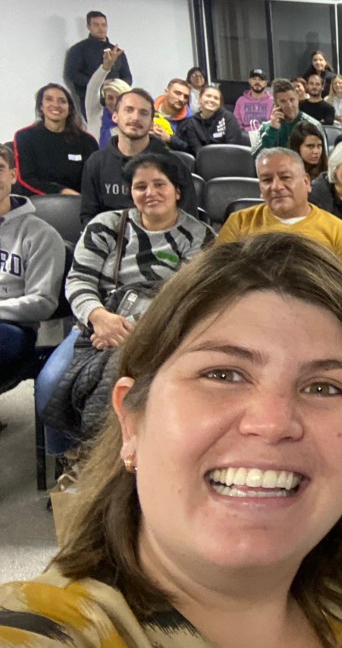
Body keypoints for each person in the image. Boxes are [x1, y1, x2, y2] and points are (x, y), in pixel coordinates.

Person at [3, 232, 342, 645]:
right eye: (222, 374)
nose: (273, 423)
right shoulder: (44, 631)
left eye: (324, 387)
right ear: (132, 421)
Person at [39, 153, 214, 455]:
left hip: (163, 329)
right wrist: (99, 317)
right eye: (140, 186)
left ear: (178, 191)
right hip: (97, 324)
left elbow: (192, 297)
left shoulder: (199, 235)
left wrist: (138, 331)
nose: (150, 193)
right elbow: (79, 280)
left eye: (160, 184)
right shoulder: (105, 225)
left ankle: (130, 460)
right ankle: (68, 464)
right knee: (50, 385)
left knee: (148, 392)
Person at [218, 148, 342, 268]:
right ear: (260, 189)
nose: (276, 187)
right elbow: (218, 275)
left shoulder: (340, 232)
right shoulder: (239, 222)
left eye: (285, 177)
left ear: (306, 182)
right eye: (267, 180)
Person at [79, 89, 198, 224]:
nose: (135, 118)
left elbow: (189, 219)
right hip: (110, 241)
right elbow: (88, 216)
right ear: (115, 116)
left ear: (152, 123)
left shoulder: (173, 164)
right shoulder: (96, 162)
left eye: (143, 113)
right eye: (129, 110)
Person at [0, 145, 65, 383]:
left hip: (13, 328)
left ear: (12, 176)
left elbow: (43, 302)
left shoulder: (40, 234)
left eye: (0, 169)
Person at [13, 83, 99, 196]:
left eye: (62, 101)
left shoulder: (87, 141)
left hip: (80, 204)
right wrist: (62, 192)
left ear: (69, 109)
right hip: (37, 204)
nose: (56, 105)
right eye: (49, 99)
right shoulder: (24, 137)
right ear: (41, 107)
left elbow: (94, 179)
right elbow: (26, 178)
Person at [63, 11, 133, 109]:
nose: (101, 28)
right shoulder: (78, 49)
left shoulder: (116, 51)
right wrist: (99, 83)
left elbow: (127, 77)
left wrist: (116, 86)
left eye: (103, 25)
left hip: (117, 101)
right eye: (96, 25)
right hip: (92, 102)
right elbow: (72, 74)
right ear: (88, 26)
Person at [251, 79, 322, 157]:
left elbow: (323, 161)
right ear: (275, 104)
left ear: (297, 99)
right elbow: (255, 158)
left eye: (292, 100)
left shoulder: (313, 126)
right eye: (283, 101)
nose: (289, 105)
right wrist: (272, 130)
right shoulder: (267, 128)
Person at [173, 85, 250, 155]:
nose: (212, 100)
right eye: (208, 96)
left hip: (228, 161)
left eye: (216, 98)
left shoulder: (228, 117)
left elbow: (233, 147)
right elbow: (196, 150)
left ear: (220, 103)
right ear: (200, 99)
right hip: (204, 163)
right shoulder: (192, 123)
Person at [83, 47, 131, 148]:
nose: (114, 102)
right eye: (110, 98)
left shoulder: (131, 121)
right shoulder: (95, 113)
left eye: (118, 98)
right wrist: (105, 68)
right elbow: (92, 87)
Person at [233, 68, 273, 135]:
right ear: (249, 81)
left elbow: (273, 123)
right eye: (254, 79)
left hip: (265, 135)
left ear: (265, 83)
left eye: (260, 80)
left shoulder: (272, 101)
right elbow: (236, 123)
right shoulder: (241, 101)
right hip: (245, 135)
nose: (257, 82)